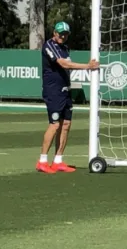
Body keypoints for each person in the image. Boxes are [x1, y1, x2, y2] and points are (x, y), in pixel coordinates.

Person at [36, 21, 99, 173]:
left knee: (66, 124)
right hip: (53, 91)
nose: (62, 36)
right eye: (60, 33)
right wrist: (87, 66)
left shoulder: (65, 48)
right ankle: (42, 161)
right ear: (54, 33)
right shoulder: (49, 46)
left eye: (65, 34)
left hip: (65, 90)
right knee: (55, 124)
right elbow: (63, 64)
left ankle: (58, 160)